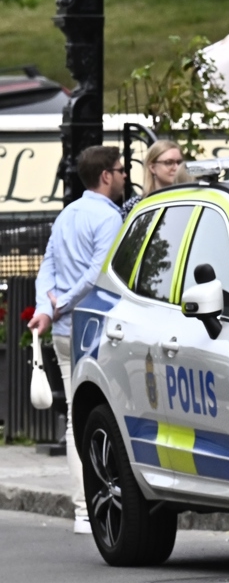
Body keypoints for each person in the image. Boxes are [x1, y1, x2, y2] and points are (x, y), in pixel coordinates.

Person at [29, 146, 126, 534]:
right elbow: (98, 272)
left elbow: (47, 269)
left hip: (64, 331)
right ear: (105, 175)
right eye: (120, 170)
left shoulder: (67, 214)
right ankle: (98, 503)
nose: (124, 176)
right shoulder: (110, 218)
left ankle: (84, 509)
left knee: (75, 419)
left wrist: (48, 308)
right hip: (95, 330)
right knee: (107, 417)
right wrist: (65, 303)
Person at [120, 139, 182, 217]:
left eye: (179, 162)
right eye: (169, 162)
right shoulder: (135, 206)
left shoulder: (189, 201)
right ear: (152, 168)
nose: (176, 167)